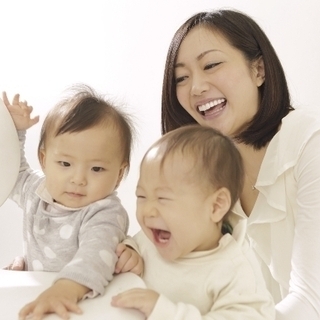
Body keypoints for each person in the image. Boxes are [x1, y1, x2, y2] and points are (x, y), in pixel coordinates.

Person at [158, 8, 320, 320]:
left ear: (258, 70)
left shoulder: (308, 143)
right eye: (181, 77)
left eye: (211, 64)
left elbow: (312, 300)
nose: (196, 88)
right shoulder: (207, 177)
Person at [111, 125, 275, 319]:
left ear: (215, 207)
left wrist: (166, 312)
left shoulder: (233, 271)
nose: (147, 210)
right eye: (141, 196)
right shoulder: (153, 239)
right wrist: (130, 253)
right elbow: (136, 244)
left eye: (163, 198)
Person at [2, 84, 134, 320]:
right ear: (44, 159)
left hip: (80, 299)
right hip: (39, 292)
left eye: (96, 168)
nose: (78, 179)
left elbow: (95, 256)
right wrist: (15, 131)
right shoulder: (37, 191)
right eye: (65, 164)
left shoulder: (105, 212)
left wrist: (63, 290)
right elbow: (11, 171)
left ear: (120, 174)